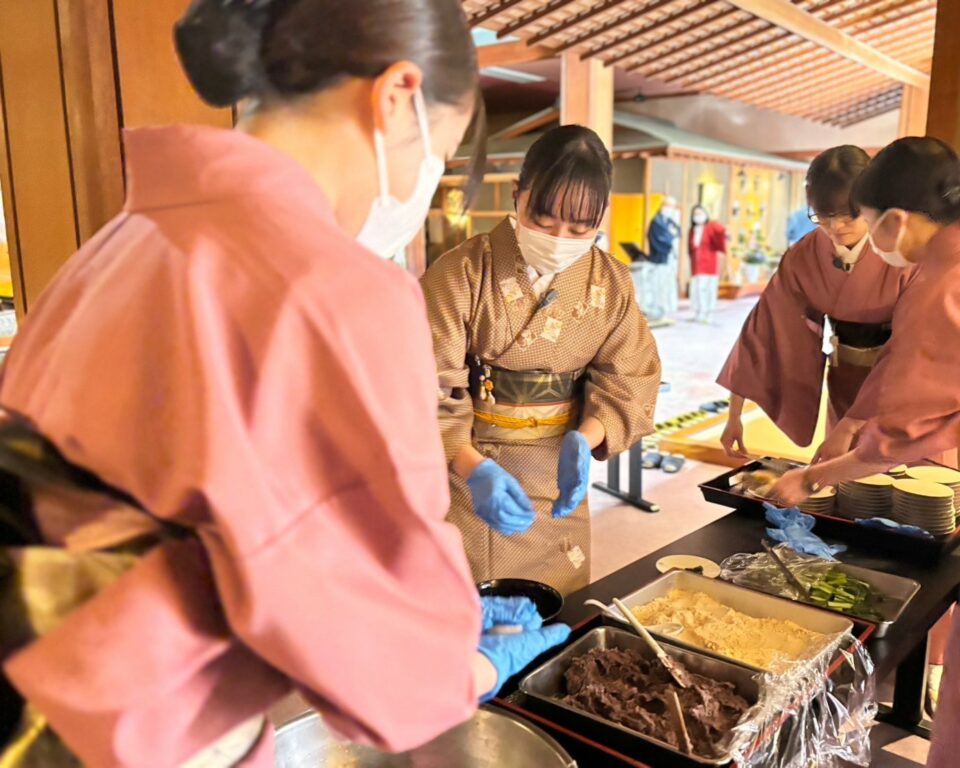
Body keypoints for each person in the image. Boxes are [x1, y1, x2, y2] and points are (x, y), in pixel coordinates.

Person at [0, 1, 569, 765]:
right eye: (437, 151)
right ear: (397, 95)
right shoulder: (335, 293)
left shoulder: (112, 250)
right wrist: (463, 664)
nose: (422, 183)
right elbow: (374, 652)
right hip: (143, 733)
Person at [768, 137, 960, 768]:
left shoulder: (947, 286)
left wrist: (812, 477)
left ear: (894, 220)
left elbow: (901, 437)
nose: (843, 234)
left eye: (857, 219)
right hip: (858, 379)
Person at [421, 126, 662, 595]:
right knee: (469, 605)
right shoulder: (460, 272)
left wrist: (587, 438)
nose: (558, 238)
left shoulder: (611, 282)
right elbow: (422, 386)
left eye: (579, 228)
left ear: (600, 218)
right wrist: (471, 467)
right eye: (544, 220)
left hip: (557, 477)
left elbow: (631, 376)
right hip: (468, 474)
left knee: (560, 602)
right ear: (518, 195)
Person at [718, 146, 921, 458]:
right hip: (844, 385)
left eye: (848, 215)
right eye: (823, 217)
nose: (835, 228)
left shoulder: (906, 251)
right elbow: (765, 331)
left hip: (902, 389)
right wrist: (734, 415)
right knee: (842, 478)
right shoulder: (804, 255)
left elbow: (924, 343)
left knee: (900, 477)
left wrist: (853, 425)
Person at [687, 205, 727, 324]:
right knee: (697, 290)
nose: (698, 216)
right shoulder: (692, 230)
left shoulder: (711, 227)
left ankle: (709, 313)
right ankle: (699, 312)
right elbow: (690, 248)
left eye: (700, 213)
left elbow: (721, 232)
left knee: (709, 289)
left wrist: (715, 222)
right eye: (695, 214)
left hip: (709, 264)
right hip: (696, 265)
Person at [648, 197, 683, 320]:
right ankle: (658, 311)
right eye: (668, 206)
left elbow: (678, 232)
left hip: (669, 259)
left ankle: (664, 310)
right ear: (663, 206)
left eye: (672, 206)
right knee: (659, 286)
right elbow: (660, 239)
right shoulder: (657, 221)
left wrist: (672, 234)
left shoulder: (668, 220)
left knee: (666, 286)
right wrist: (670, 237)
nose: (670, 209)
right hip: (660, 259)